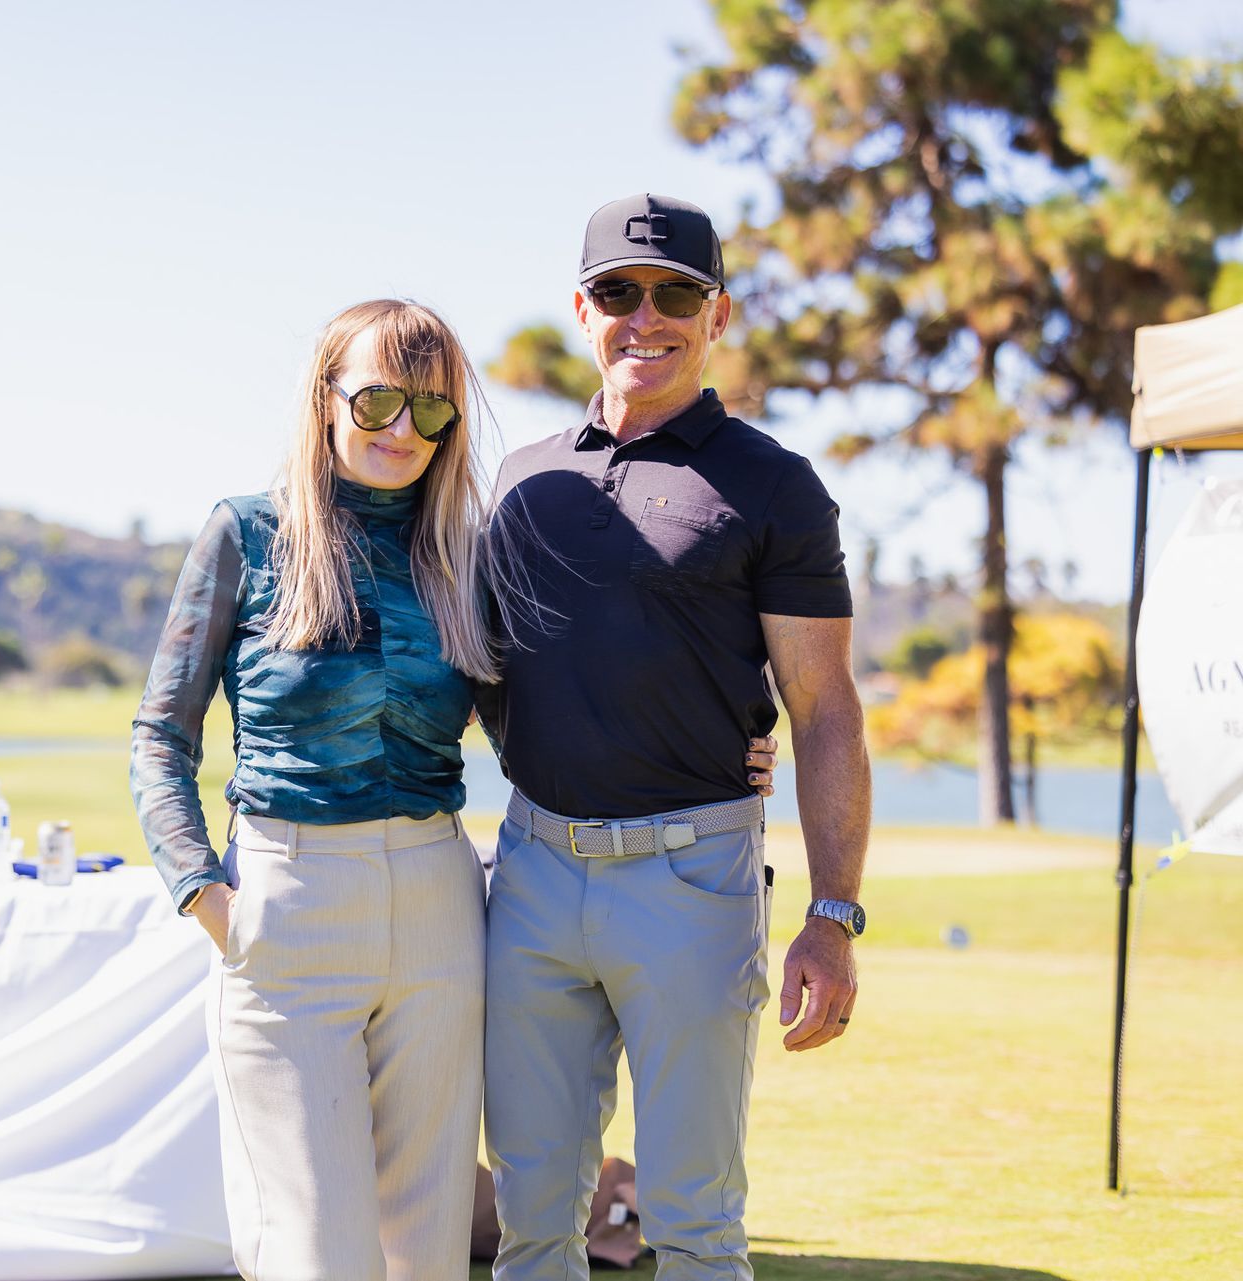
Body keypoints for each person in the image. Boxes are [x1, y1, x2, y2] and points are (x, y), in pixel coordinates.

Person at [130, 297, 779, 1281]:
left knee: (426, 1247)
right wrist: (203, 894)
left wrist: (709, 747)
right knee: (314, 1249)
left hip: (439, 906)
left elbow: (551, 716)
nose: (405, 432)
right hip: (287, 899)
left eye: (433, 414)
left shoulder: (466, 554)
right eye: (381, 401)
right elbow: (157, 737)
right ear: (325, 400)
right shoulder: (246, 535)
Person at [478, 194, 872, 1281]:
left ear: (718, 313)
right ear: (582, 309)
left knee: (695, 1226)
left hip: (692, 880)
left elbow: (826, 705)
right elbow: (480, 671)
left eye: (675, 295)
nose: (643, 317)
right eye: (617, 293)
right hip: (533, 877)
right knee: (531, 1224)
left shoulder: (776, 486)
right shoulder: (524, 482)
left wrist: (833, 917)